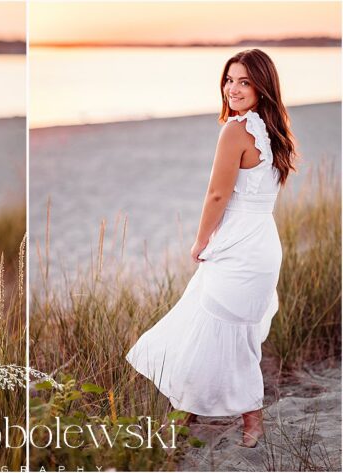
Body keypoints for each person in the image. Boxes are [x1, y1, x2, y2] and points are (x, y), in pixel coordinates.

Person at [126, 48, 297, 448]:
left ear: (262, 87)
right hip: (263, 245)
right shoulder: (276, 130)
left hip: (239, 247)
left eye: (244, 82)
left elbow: (217, 195)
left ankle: (249, 419)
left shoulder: (236, 130)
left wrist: (201, 240)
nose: (232, 89)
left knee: (224, 332)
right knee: (215, 328)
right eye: (229, 79)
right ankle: (189, 409)